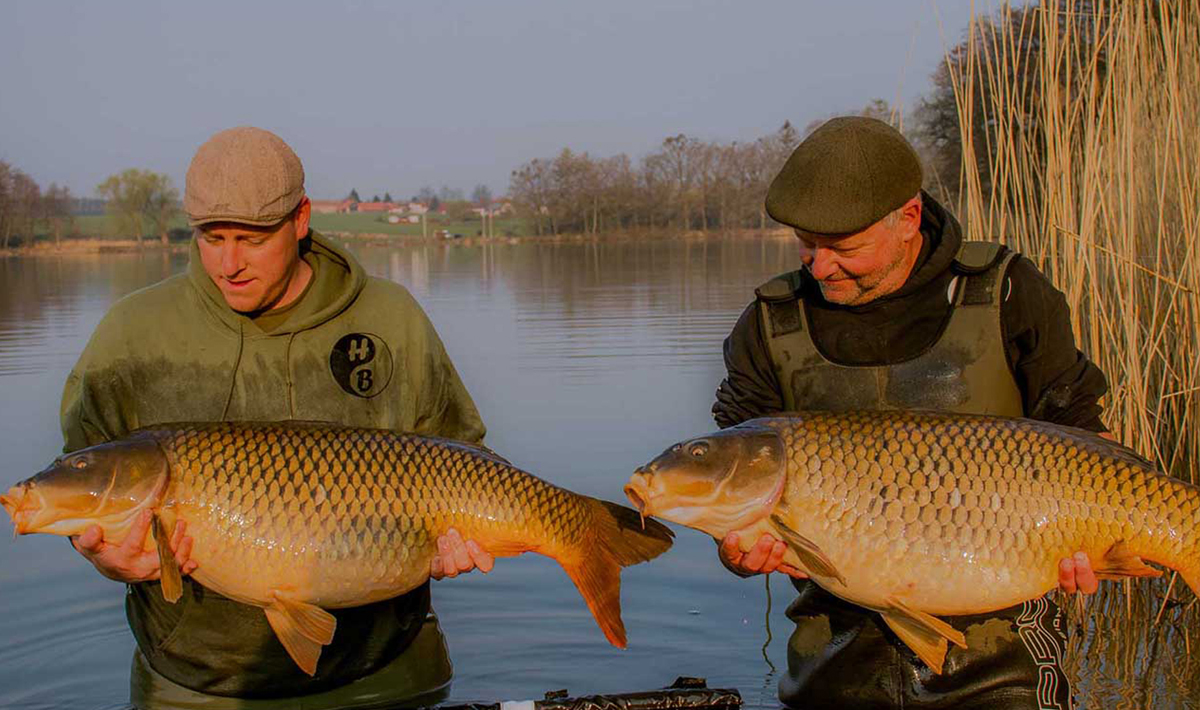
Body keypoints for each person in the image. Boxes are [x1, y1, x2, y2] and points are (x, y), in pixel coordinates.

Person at [61, 126, 493, 709]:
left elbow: (463, 456)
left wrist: (460, 539)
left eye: (251, 239)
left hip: (386, 671)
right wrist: (102, 554)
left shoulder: (391, 319)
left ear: (300, 219)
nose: (229, 263)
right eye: (212, 237)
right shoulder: (131, 333)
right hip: (193, 684)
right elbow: (83, 478)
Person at [711, 116, 1110, 709]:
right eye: (806, 244)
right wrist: (737, 551)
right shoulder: (772, 322)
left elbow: (1080, 427)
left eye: (844, 248)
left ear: (908, 218)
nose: (819, 267)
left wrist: (1094, 541)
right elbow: (736, 479)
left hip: (1001, 653)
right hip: (833, 654)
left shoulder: (1004, 292)